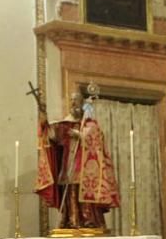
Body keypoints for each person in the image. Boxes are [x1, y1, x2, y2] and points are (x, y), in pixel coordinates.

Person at [35, 91, 121, 231]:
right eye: (71, 100)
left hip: (86, 167)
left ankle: (89, 220)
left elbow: (97, 141)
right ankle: (71, 220)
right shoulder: (65, 124)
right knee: (70, 190)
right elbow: (50, 135)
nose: (73, 103)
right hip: (69, 161)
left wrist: (80, 135)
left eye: (76, 100)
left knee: (86, 190)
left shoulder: (89, 123)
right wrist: (43, 114)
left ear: (82, 103)